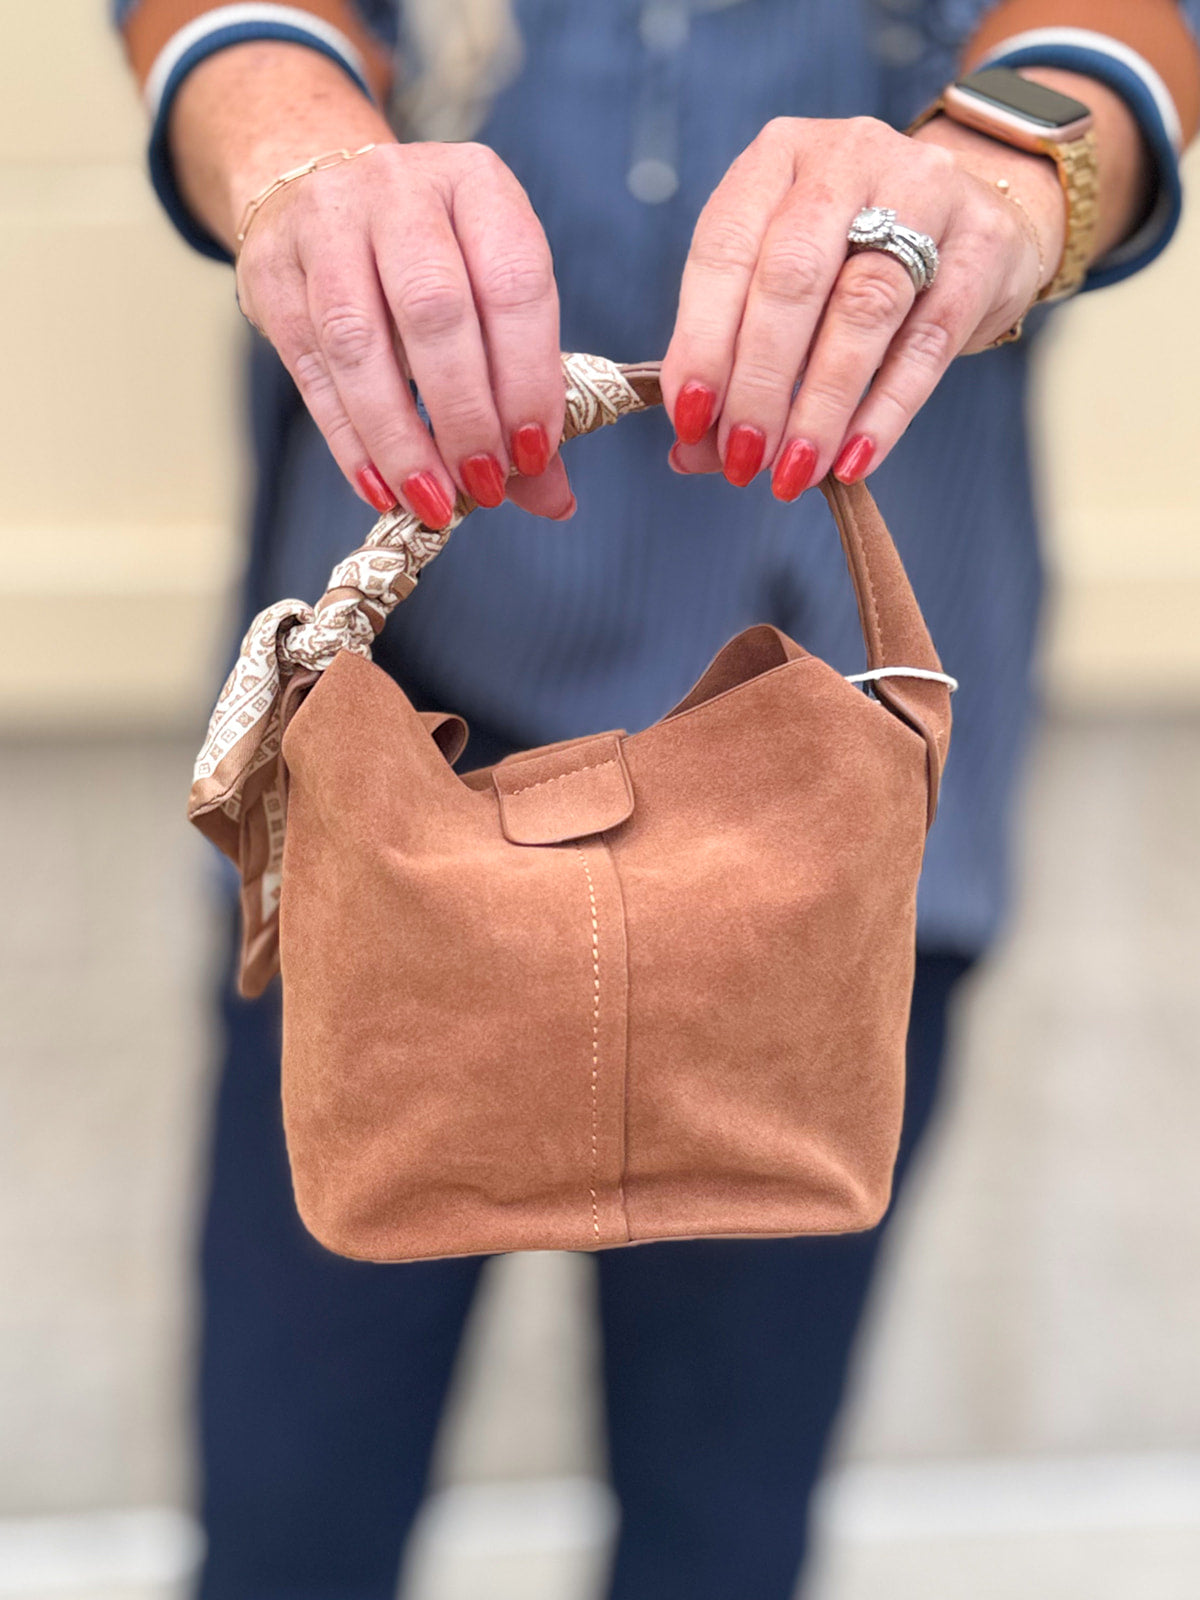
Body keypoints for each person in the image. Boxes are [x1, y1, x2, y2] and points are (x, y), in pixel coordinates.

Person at [113, 3, 1200, 1597]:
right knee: (292, 1520)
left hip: (821, 801)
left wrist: (1016, 155)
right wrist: (286, 127)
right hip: (395, 771)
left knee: (724, 1528)